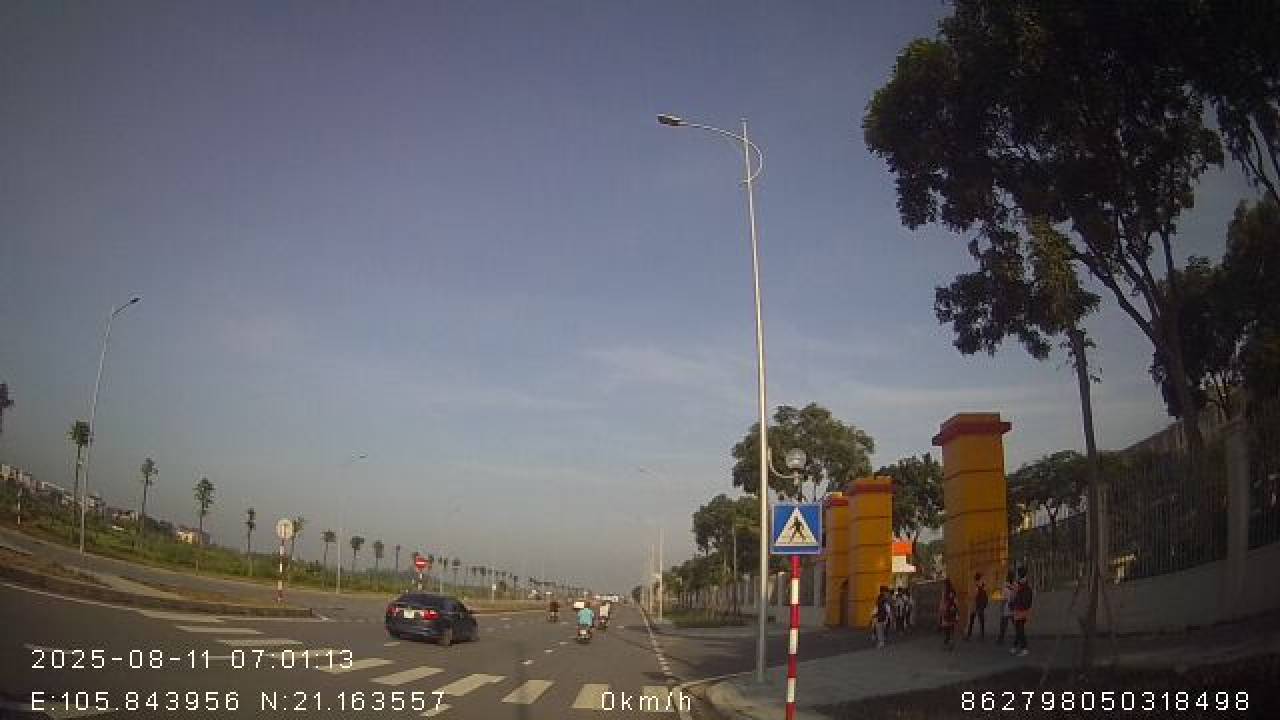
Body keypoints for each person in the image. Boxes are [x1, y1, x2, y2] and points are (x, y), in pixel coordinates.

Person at [1010, 567, 1033, 657]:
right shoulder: (1025, 583)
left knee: (1019, 629)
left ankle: (1024, 648)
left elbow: (1014, 596)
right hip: (1023, 609)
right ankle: (1015, 646)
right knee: (1019, 629)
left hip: (1020, 609)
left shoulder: (1019, 584)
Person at [966, 571, 988, 641]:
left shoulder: (975, 585)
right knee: (981, 620)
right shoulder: (983, 585)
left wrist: (969, 597)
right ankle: (982, 635)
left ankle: (969, 635)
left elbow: (974, 595)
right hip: (980, 605)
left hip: (975, 605)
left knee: (972, 620)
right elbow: (985, 594)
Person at [939, 577, 959, 651]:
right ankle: (950, 642)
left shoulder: (947, 591)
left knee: (948, 626)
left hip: (948, 610)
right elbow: (955, 601)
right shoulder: (951, 591)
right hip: (950, 610)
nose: (943, 585)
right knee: (950, 627)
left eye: (944, 584)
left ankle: (949, 642)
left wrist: (941, 608)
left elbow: (944, 601)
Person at [997, 571, 1015, 645]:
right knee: (1016, 624)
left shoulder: (1005, 587)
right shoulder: (1015, 586)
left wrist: (1001, 608)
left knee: (1003, 625)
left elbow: (1003, 600)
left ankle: (1000, 639)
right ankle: (1020, 637)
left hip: (1006, 608)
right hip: (1013, 608)